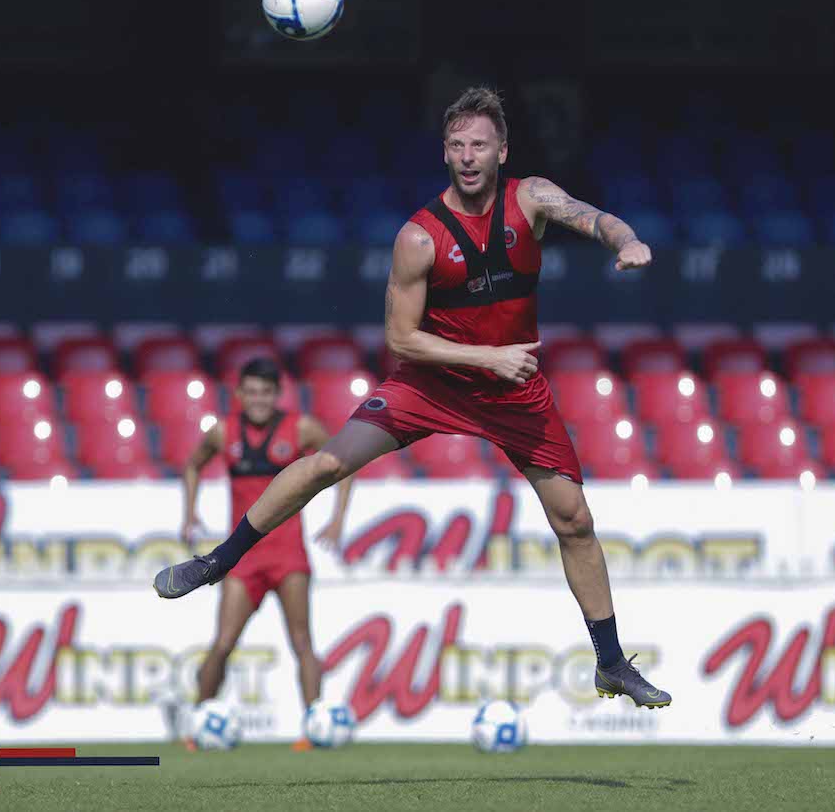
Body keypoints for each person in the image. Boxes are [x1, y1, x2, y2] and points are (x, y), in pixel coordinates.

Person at [156, 86, 670, 709]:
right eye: (456, 145)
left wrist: (626, 242)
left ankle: (611, 662)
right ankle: (217, 561)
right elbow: (402, 339)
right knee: (327, 464)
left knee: (576, 521)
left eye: (479, 144)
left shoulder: (530, 198)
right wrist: (486, 358)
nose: (468, 155)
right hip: (433, 385)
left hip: (513, 393)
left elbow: (594, 216)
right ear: (444, 154)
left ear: (502, 150)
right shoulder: (419, 238)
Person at [179, 357, 354, 750]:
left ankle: (312, 730)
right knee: (223, 642)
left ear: (278, 395)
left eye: (267, 392)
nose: (259, 399)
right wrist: (188, 511)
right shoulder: (223, 432)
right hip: (243, 560)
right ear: (239, 394)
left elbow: (344, 463)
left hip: (289, 554)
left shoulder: (302, 428)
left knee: (302, 642)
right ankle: (198, 722)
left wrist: (339, 518)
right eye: (252, 391)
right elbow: (192, 466)